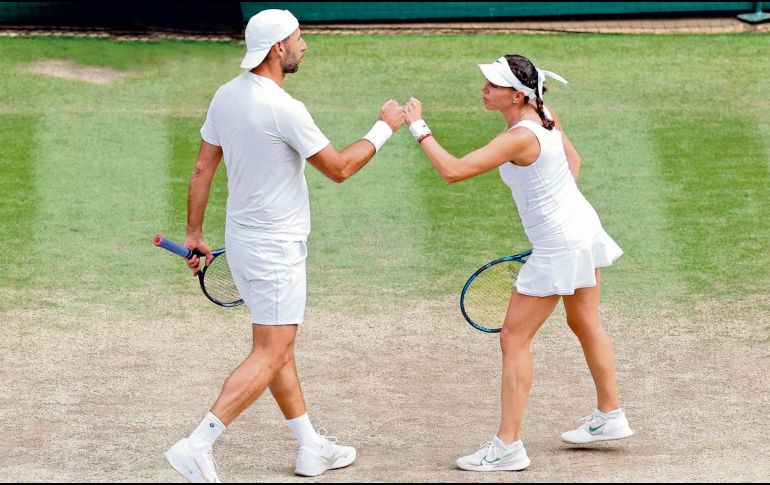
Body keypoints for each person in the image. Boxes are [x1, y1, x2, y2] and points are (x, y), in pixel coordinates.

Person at [163, 9, 404, 483]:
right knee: (272, 351)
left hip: (244, 240)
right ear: (278, 48)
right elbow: (338, 167)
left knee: (277, 347)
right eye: (298, 38)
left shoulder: (226, 96)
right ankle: (198, 443)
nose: (305, 45)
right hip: (275, 249)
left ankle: (311, 447)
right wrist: (385, 127)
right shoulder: (283, 108)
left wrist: (193, 233)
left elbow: (201, 168)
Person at [403, 53, 633, 472]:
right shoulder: (544, 112)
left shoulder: (519, 137)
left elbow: (453, 171)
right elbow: (572, 163)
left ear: (516, 94)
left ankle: (507, 445)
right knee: (585, 323)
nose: (484, 89)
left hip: (562, 241)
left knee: (513, 338)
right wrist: (557, 220)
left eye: (492, 84)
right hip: (582, 228)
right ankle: (610, 415)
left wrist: (417, 125)